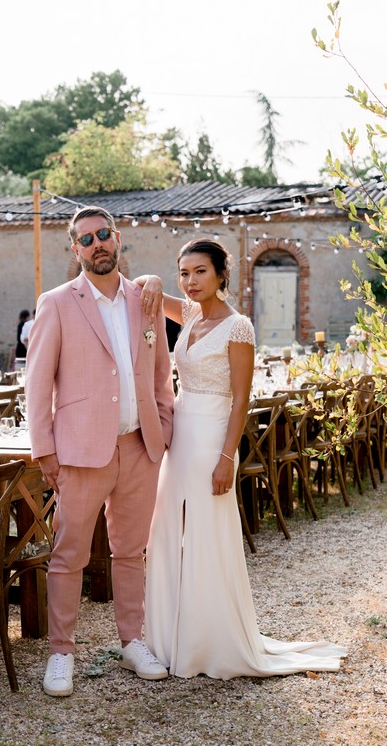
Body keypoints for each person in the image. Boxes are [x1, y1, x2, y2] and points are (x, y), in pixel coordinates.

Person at [138, 238, 347, 679]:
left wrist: (226, 458)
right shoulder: (191, 313)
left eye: (200, 272)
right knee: (167, 529)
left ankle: (209, 641)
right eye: (184, 272)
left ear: (221, 275)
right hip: (180, 435)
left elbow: (240, 399)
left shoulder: (238, 327)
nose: (190, 281)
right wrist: (155, 278)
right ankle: (168, 637)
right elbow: (148, 291)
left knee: (206, 534)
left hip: (213, 434)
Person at [25, 205, 174, 697]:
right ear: (75, 249)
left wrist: (164, 428)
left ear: (118, 238)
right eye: (86, 239)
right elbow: (37, 382)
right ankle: (61, 653)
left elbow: (160, 374)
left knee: (131, 551)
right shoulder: (56, 303)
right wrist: (45, 449)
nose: (97, 245)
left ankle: (132, 641)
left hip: (139, 447)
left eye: (103, 235)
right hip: (80, 453)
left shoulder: (144, 300)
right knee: (69, 555)